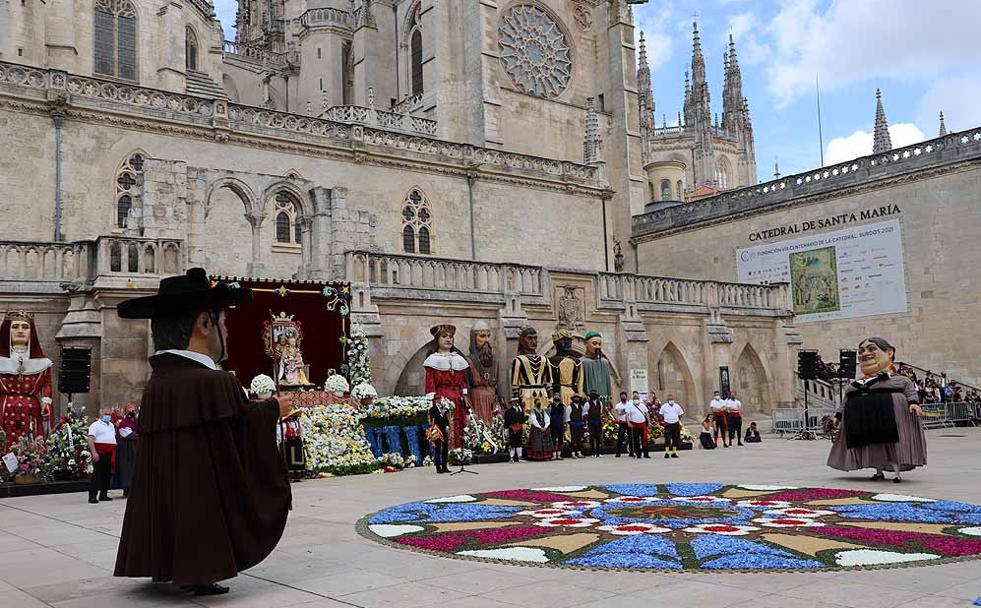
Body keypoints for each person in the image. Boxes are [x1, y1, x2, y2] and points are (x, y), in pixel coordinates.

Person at [114, 268, 295, 596]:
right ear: (204, 324)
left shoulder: (159, 382)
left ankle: (165, 559)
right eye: (223, 321)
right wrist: (272, 409)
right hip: (202, 506)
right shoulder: (214, 381)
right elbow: (239, 432)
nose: (226, 328)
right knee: (197, 493)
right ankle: (199, 564)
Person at [827, 337, 927, 483]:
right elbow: (846, 400)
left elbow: (911, 392)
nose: (865, 353)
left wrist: (913, 403)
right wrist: (838, 416)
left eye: (872, 349)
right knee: (874, 447)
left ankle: (897, 473)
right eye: (861, 351)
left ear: (889, 353)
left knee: (893, 446)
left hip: (890, 419)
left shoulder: (899, 380)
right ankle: (878, 472)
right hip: (867, 422)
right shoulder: (857, 384)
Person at [0, 312, 54, 451]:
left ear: (31, 331)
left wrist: (45, 402)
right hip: (3, 410)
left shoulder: (43, 363)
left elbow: (46, 385)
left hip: (31, 412)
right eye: (15, 326)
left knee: (31, 447)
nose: (20, 331)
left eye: (25, 327)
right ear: (8, 330)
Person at [423, 324, 470, 449]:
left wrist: (465, 395)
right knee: (443, 425)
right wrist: (432, 402)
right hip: (441, 398)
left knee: (459, 424)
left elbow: (464, 382)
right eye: (444, 337)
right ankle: (445, 453)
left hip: (458, 399)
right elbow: (430, 384)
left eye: (451, 337)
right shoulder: (432, 360)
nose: (448, 339)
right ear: (437, 340)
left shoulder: (458, 359)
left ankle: (459, 451)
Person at [86, 407, 117, 504]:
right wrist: (94, 452)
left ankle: (104, 494)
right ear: (101, 415)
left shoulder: (111, 425)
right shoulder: (95, 425)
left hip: (109, 453)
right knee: (97, 475)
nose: (108, 416)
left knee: (106, 474)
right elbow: (90, 439)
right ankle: (92, 496)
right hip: (100, 452)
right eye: (106, 414)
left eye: (109, 414)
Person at [114, 404, 139, 498]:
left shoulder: (136, 422)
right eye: (129, 411)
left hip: (135, 448)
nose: (131, 413)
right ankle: (127, 490)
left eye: (133, 411)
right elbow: (128, 434)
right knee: (127, 469)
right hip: (126, 449)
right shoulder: (123, 423)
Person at [428, 398, 450, 473]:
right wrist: (441, 413)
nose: (439, 401)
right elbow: (435, 420)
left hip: (444, 430)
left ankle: (445, 466)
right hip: (437, 431)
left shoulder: (443, 408)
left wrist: (447, 425)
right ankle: (438, 467)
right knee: (438, 449)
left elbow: (446, 419)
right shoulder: (432, 409)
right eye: (437, 399)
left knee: (445, 448)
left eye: (439, 399)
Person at [659, 395, 684, 459]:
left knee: (675, 439)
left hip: (675, 424)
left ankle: (674, 452)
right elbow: (660, 414)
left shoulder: (677, 406)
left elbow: (681, 413)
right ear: (667, 400)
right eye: (670, 399)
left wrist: (677, 419)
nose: (671, 400)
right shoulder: (664, 406)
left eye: (672, 399)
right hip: (668, 424)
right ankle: (667, 453)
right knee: (667, 439)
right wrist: (664, 420)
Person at [625, 393, 649, 458]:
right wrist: (628, 423)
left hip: (643, 424)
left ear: (639, 399)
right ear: (633, 400)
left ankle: (646, 454)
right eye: (635, 399)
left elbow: (646, 413)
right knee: (636, 440)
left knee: (644, 439)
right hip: (635, 425)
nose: (636, 400)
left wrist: (649, 422)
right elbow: (627, 415)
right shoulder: (630, 406)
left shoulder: (643, 406)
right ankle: (638, 454)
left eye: (637, 398)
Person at [504, 397, 526, 462]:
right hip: (512, 428)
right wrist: (509, 427)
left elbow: (522, 419)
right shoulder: (508, 411)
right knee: (512, 443)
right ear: (512, 403)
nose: (516, 403)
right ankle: (511, 457)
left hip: (519, 427)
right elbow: (507, 421)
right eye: (514, 402)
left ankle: (520, 457)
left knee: (519, 443)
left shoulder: (520, 410)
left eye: (517, 401)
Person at [613, 392, 633, 457]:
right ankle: (618, 452)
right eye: (622, 396)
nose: (623, 397)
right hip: (622, 422)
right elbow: (619, 413)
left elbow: (630, 412)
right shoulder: (618, 405)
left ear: (626, 397)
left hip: (629, 422)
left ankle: (631, 452)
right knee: (620, 437)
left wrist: (623, 411)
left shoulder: (630, 404)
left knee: (631, 438)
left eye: (624, 396)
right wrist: (626, 411)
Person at [548, 391, 566, 460]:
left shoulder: (563, 406)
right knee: (553, 438)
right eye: (555, 396)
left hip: (560, 423)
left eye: (558, 396)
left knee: (560, 438)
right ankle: (554, 454)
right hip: (553, 423)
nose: (557, 397)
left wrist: (564, 423)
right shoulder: (550, 406)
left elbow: (564, 415)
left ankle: (559, 454)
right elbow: (548, 414)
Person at [585, 392, 603, 457]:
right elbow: (585, 412)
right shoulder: (587, 403)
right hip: (591, 421)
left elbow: (600, 412)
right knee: (592, 437)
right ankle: (593, 452)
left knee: (598, 436)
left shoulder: (600, 403)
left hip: (598, 421)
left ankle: (598, 452)